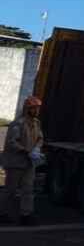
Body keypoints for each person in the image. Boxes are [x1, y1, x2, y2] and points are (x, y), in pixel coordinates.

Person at [1, 95, 45, 225]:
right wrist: (26, 151)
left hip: (29, 162)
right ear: (28, 109)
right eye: (34, 108)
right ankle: (3, 213)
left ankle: (26, 214)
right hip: (16, 162)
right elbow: (12, 142)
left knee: (28, 188)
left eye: (38, 108)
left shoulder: (36, 123)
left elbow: (40, 138)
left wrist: (37, 149)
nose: (37, 111)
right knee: (10, 189)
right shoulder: (18, 124)